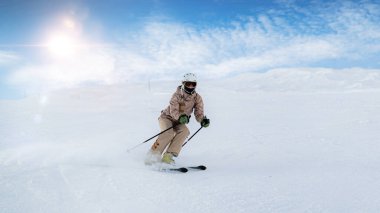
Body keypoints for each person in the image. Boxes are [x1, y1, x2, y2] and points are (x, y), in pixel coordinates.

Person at [145, 73, 210, 165]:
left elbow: (199, 113)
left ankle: (168, 156)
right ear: (183, 83)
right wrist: (180, 117)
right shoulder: (176, 95)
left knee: (185, 131)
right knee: (168, 133)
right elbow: (173, 110)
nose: (191, 86)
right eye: (188, 84)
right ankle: (152, 156)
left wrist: (202, 120)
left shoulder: (197, 98)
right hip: (166, 117)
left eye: (193, 84)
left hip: (179, 121)